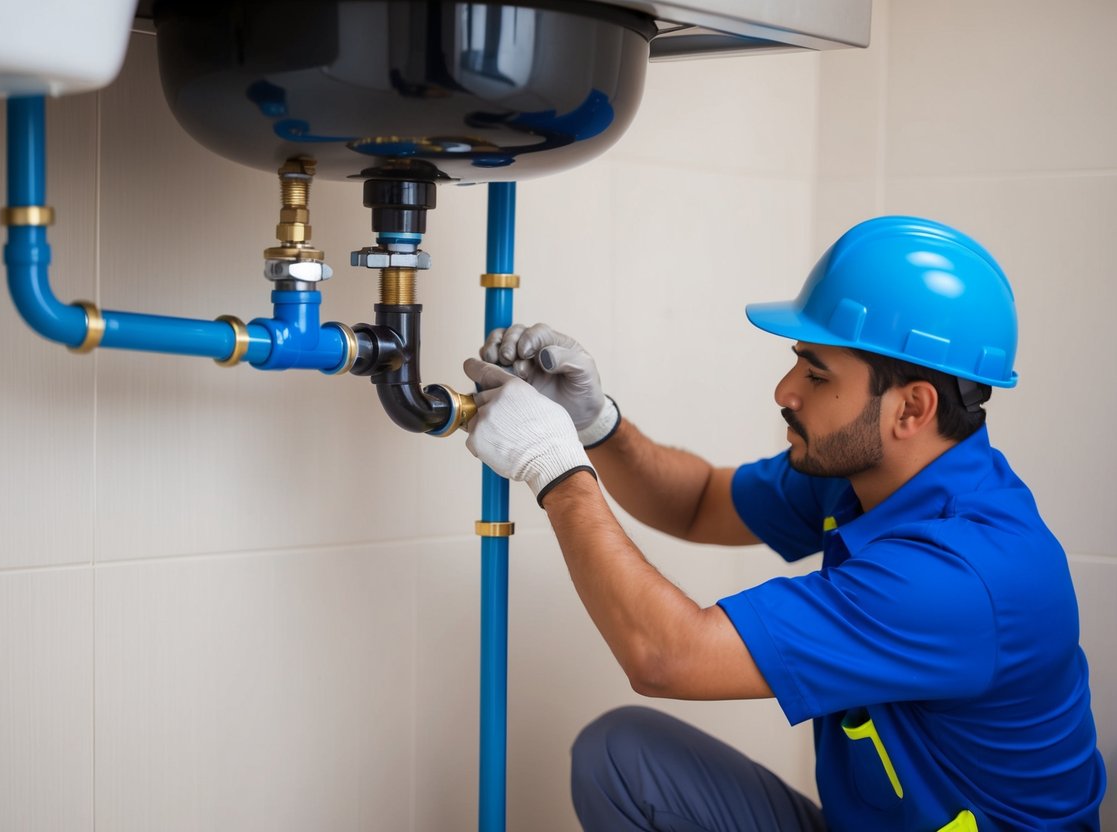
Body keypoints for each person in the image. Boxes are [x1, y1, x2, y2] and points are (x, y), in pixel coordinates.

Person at [461, 216, 1106, 831]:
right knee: (622, 758)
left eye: (816, 373)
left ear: (912, 407)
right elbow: (699, 502)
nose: (785, 391)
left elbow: (665, 658)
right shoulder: (869, 477)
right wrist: (596, 425)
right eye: (799, 359)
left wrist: (554, 468)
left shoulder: (960, 576)